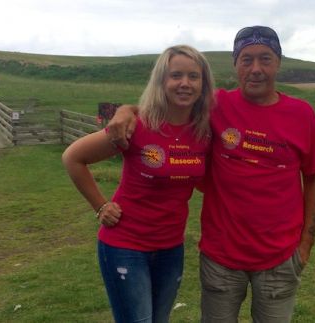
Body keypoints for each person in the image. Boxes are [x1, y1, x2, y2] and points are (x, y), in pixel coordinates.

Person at [107, 26, 315, 322]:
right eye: (246, 59)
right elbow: (168, 104)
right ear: (235, 64)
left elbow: (314, 178)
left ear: (279, 62)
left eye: (266, 59)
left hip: (280, 259)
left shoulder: (302, 114)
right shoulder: (215, 105)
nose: (256, 69)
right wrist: (126, 111)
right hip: (221, 259)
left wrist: (305, 246)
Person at [62, 44, 215, 323]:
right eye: (176, 75)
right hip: (125, 245)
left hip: (171, 247)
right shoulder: (136, 126)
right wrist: (100, 206)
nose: (185, 83)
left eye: (194, 76)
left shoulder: (203, 132)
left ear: (203, 84)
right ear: (162, 81)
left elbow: (204, 181)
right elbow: (73, 157)